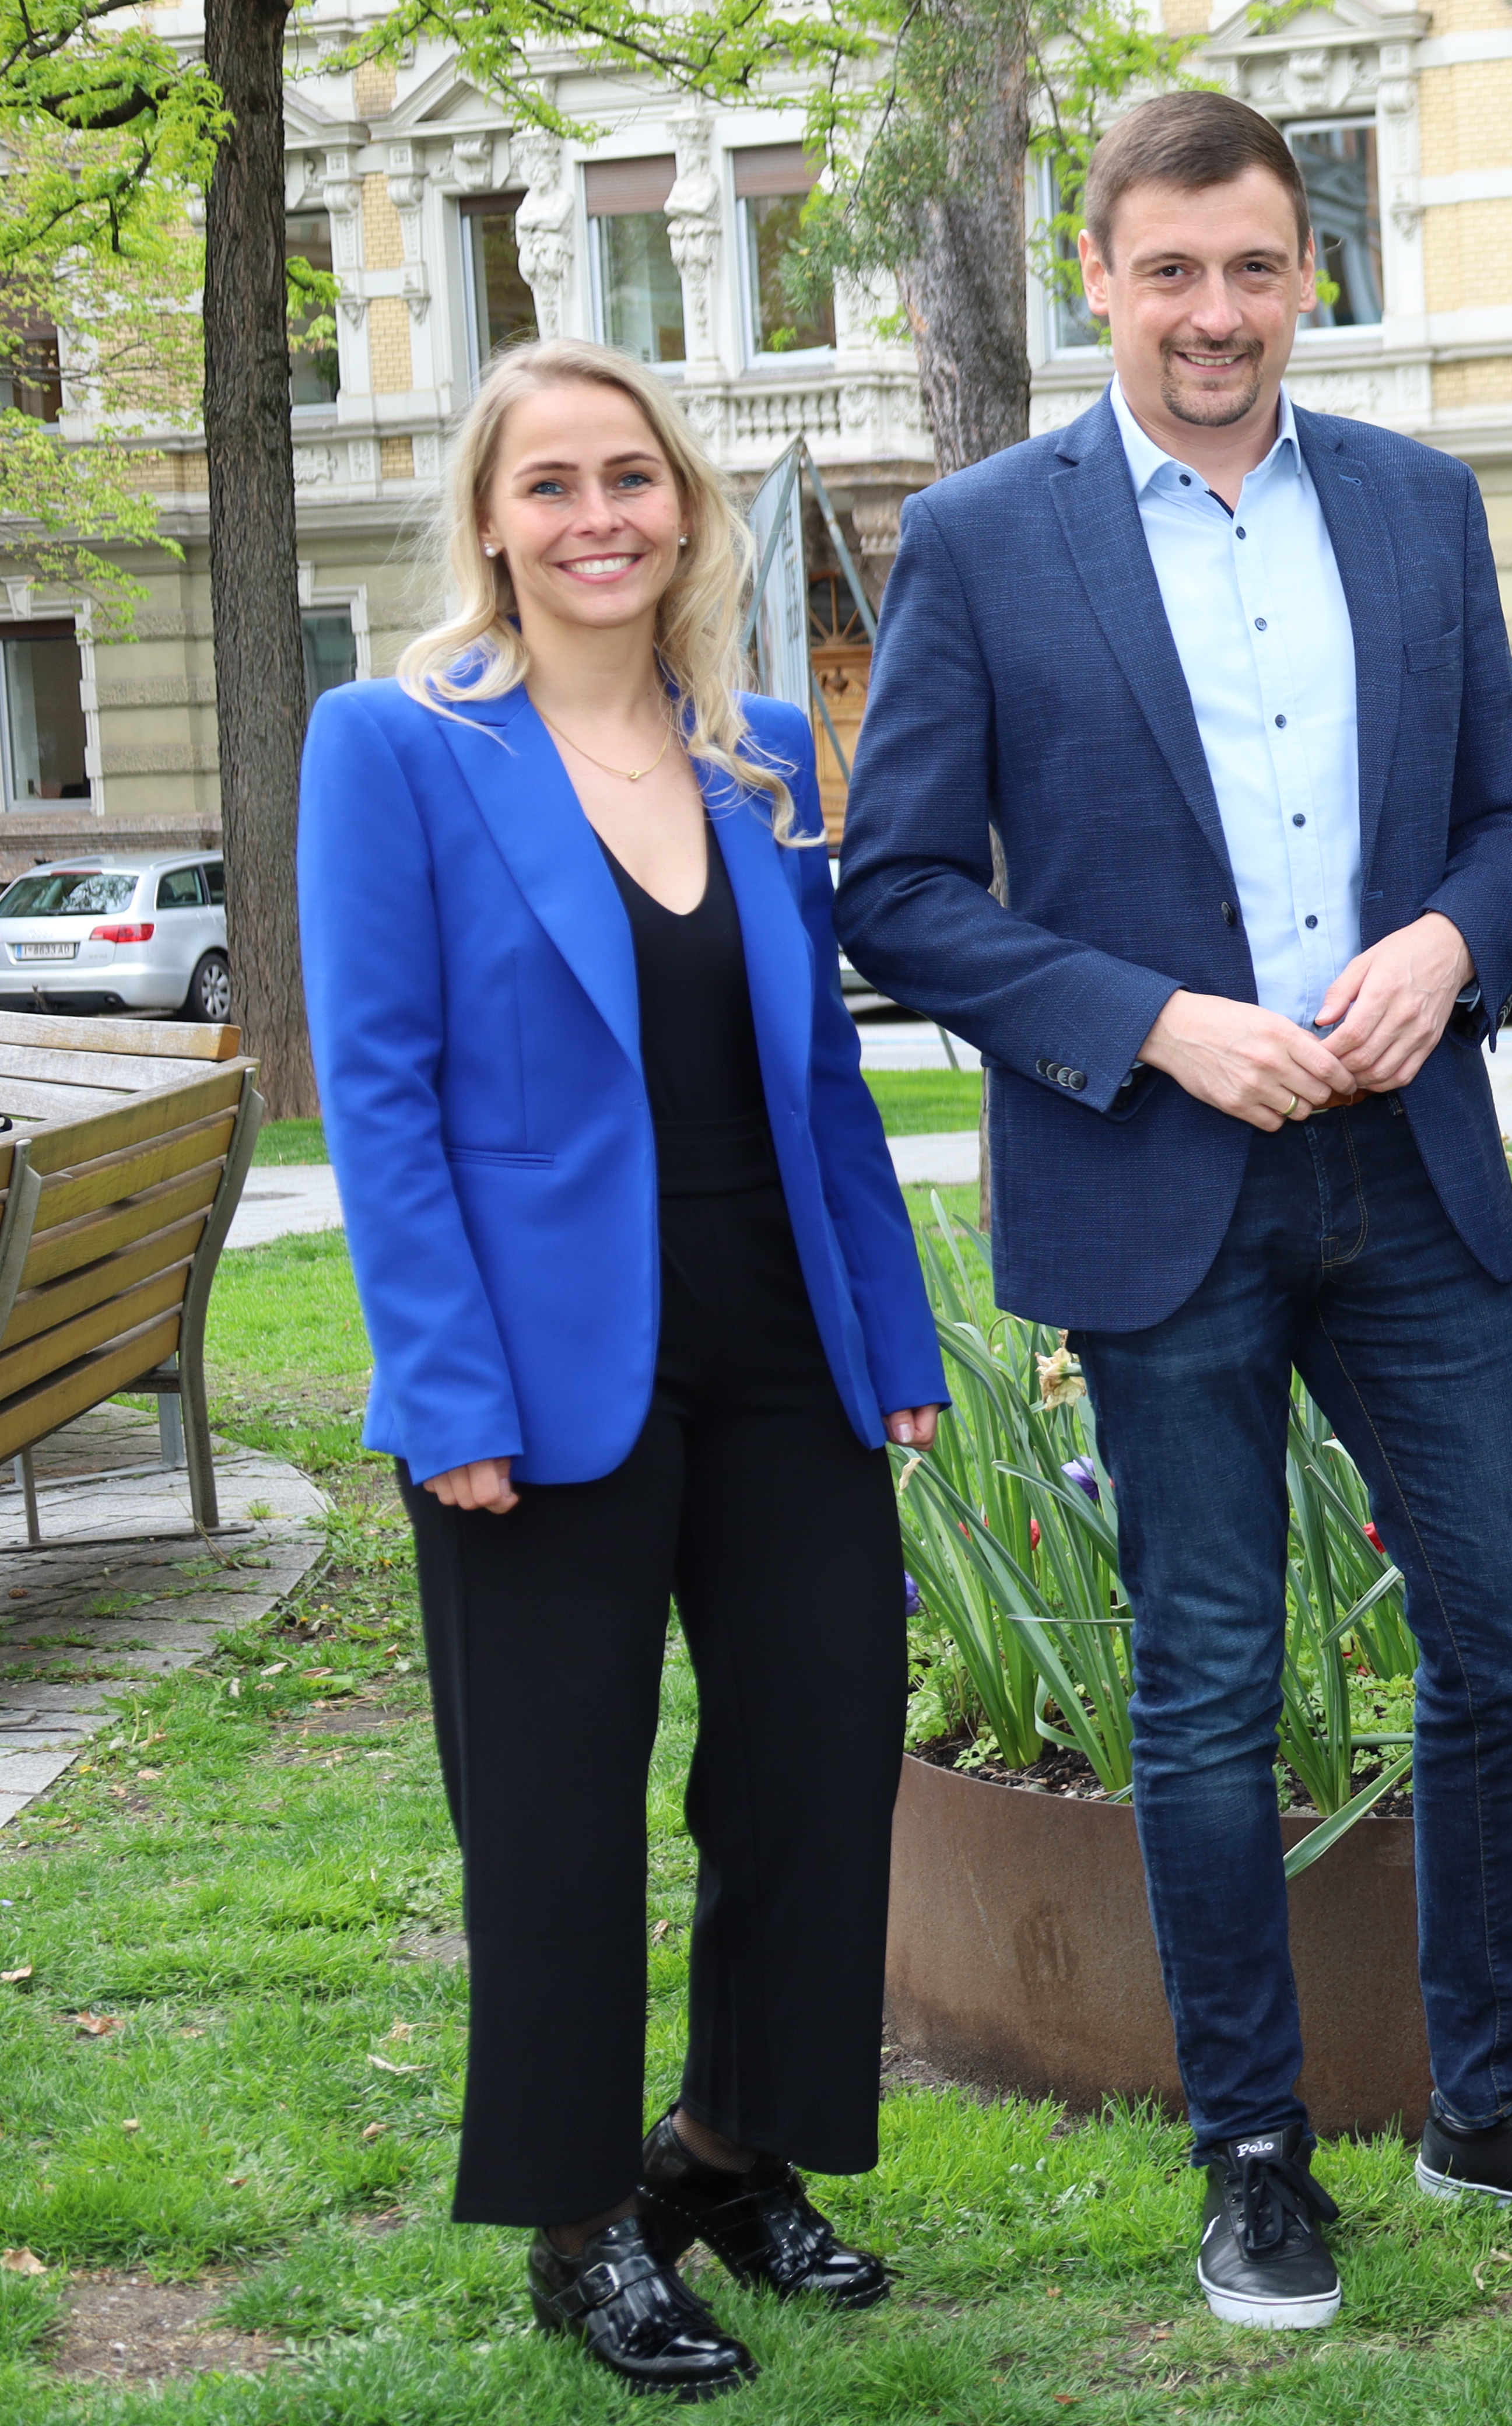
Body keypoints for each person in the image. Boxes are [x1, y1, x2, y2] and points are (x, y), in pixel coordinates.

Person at [833, 91, 1512, 2330]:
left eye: (1253, 268)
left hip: (1405, 1169)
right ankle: (1252, 2151)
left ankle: (1499, 2104)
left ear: (1306, 271)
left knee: (1509, 1638)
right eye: (1170, 272)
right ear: (1099, 280)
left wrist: (1450, 941)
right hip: (1161, 1179)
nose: (1214, 313)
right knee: (1209, 1686)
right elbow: (908, 894)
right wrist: (1152, 1024)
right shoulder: (982, 539)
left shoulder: (1422, 509)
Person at [299, 338, 949, 2401]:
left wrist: (893, 1327)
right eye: (554, 484)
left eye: (633, 479)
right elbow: (379, 1099)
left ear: (686, 507)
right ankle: (580, 2230)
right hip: (537, 1368)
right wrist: (447, 1390)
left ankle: (727, 2158)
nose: (599, 517)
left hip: (779, 1345)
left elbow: (823, 1078)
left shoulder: (758, 744)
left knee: (817, 1768)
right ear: (491, 520)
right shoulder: (392, 743)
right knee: (558, 1819)